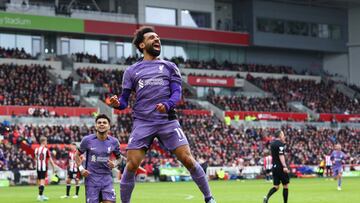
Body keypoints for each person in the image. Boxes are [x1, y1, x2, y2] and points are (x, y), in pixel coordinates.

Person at [109, 26, 216, 203]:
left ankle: (209, 198)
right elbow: (124, 101)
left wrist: (167, 105)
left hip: (167, 121)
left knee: (188, 160)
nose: (157, 39)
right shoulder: (131, 71)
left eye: (158, 37)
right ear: (142, 44)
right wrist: (117, 104)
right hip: (143, 122)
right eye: (152, 37)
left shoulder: (169, 67)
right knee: (131, 164)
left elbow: (176, 93)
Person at [75, 114, 122, 203]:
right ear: (96, 126)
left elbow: (120, 158)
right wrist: (81, 169)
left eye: (104, 122)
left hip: (107, 179)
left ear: (109, 126)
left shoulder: (114, 142)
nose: (101, 124)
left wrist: (115, 163)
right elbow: (76, 155)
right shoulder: (87, 140)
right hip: (91, 179)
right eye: (99, 122)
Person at [263, 130, 289, 203]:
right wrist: (284, 166)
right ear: (280, 135)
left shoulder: (272, 143)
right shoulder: (280, 144)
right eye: (283, 134)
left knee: (276, 187)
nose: (284, 136)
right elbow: (281, 155)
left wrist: (283, 143)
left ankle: (267, 197)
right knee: (285, 186)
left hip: (274, 167)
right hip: (280, 167)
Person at [34, 136, 57, 201]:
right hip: (43, 167)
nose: (47, 142)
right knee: (42, 181)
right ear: (43, 141)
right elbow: (50, 159)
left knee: (39, 182)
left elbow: (35, 158)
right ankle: (40, 196)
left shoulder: (36, 149)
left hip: (38, 167)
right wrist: (53, 166)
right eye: (46, 141)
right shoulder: (46, 150)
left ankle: (41, 195)